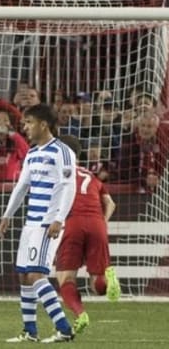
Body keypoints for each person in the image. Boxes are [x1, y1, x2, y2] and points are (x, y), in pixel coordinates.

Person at [0, 103, 76, 343]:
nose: (25, 127)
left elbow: (68, 187)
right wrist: (7, 214)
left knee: (35, 275)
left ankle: (63, 328)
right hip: (31, 224)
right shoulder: (32, 153)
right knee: (24, 276)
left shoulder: (62, 152)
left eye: (29, 122)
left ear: (44, 124)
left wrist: (58, 219)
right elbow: (22, 187)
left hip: (46, 224)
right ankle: (30, 332)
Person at [55, 135, 121, 334]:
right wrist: (102, 222)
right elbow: (110, 203)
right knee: (97, 284)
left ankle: (80, 313)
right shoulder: (91, 175)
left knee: (66, 278)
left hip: (72, 222)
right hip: (97, 222)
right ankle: (109, 279)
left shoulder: (59, 173)